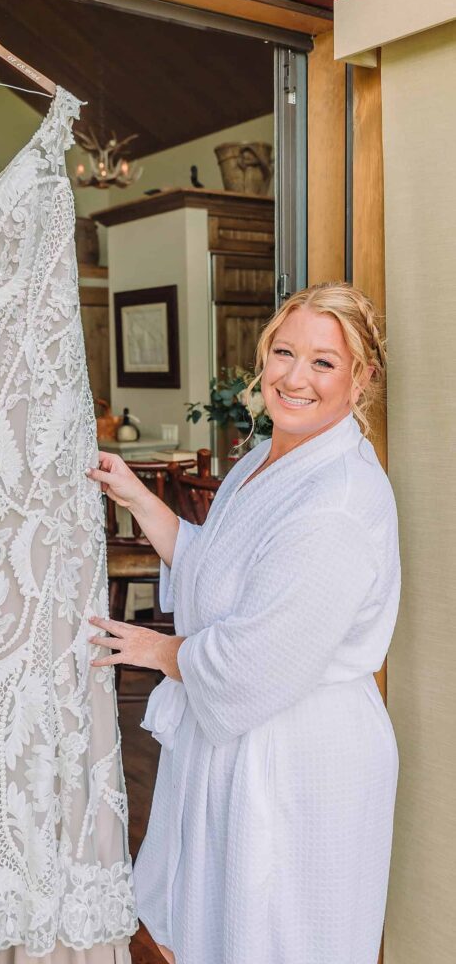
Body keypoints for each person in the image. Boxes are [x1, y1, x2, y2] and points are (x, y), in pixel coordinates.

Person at [85, 283, 401, 964]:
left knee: (279, 939)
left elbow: (255, 657)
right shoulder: (266, 457)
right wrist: (136, 496)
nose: (292, 377)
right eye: (282, 353)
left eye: (322, 361)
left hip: (298, 756)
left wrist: (151, 647)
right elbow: (216, 567)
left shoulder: (337, 502)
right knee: (221, 935)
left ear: (361, 377)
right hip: (241, 740)